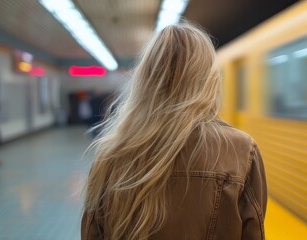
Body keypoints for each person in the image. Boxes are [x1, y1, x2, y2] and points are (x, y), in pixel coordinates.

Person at [82, 23, 267, 240]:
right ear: (209, 78)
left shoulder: (111, 153)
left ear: (146, 78)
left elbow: (93, 234)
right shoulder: (241, 151)